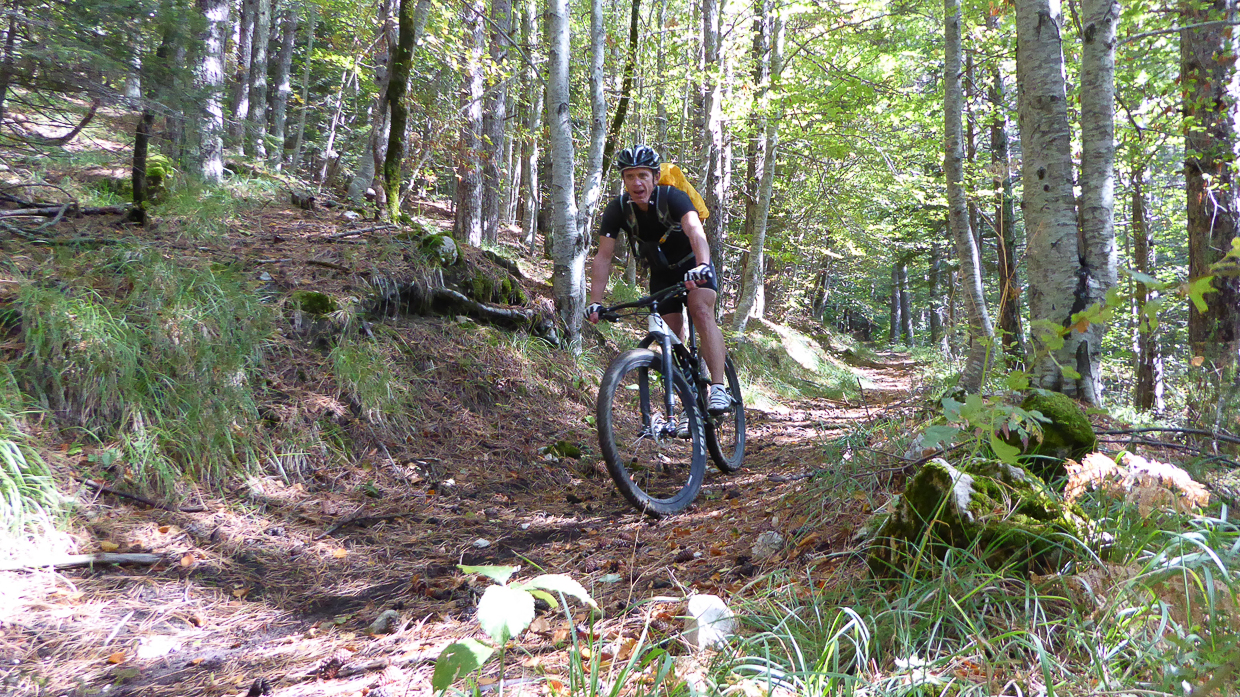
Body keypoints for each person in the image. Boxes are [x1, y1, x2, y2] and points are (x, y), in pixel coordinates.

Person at [585, 145, 732, 431]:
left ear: (654, 177)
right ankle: (690, 403)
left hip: (694, 265)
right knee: (671, 337)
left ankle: (718, 387)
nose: (636, 183)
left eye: (642, 175)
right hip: (662, 274)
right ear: (623, 180)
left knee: (700, 310)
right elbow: (603, 256)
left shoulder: (673, 197)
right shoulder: (618, 209)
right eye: (630, 176)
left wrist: (703, 265)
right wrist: (596, 301)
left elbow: (695, 230)